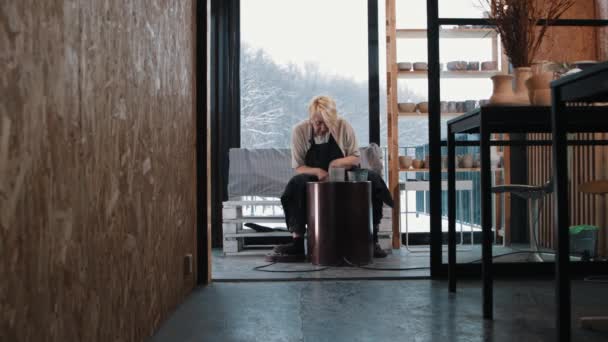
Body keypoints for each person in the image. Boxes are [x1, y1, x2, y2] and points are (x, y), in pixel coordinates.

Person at [266, 95, 394, 262]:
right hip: (315, 175)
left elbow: (355, 158)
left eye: (327, 123)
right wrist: (319, 172)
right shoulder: (300, 131)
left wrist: (337, 162)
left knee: (373, 179)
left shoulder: (343, 126)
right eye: (318, 123)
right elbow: (299, 166)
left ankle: (372, 240)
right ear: (311, 119)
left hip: (344, 173)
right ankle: (297, 243)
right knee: (295, 184)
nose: (323, 127)